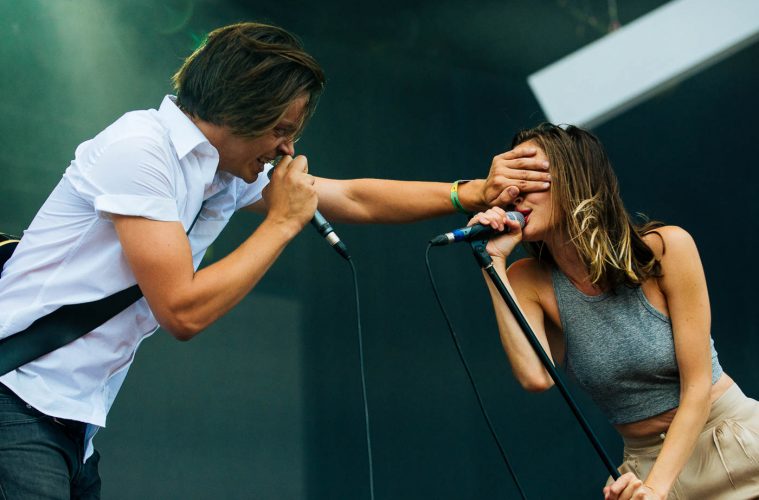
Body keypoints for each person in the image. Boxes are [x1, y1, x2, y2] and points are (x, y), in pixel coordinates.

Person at [0, 22, 551, 499]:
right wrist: (283, 222)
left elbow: (352, 197)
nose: (287, 149)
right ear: (240, 109)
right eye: (281, 130)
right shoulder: (141, 149)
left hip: (71, 420)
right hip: (19, 394)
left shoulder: (219, 170)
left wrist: (470, 193)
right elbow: (182, 311)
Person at [469, 123, 759, 499]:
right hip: (644, 465)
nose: (514, 193)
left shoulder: (666, 248)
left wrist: (656, 488)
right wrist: (492, 261)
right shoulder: (527, 279)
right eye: (511, 183)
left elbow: (698, 386)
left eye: (531, 179)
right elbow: (535, 377)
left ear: (575, 179)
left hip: (728, 442)